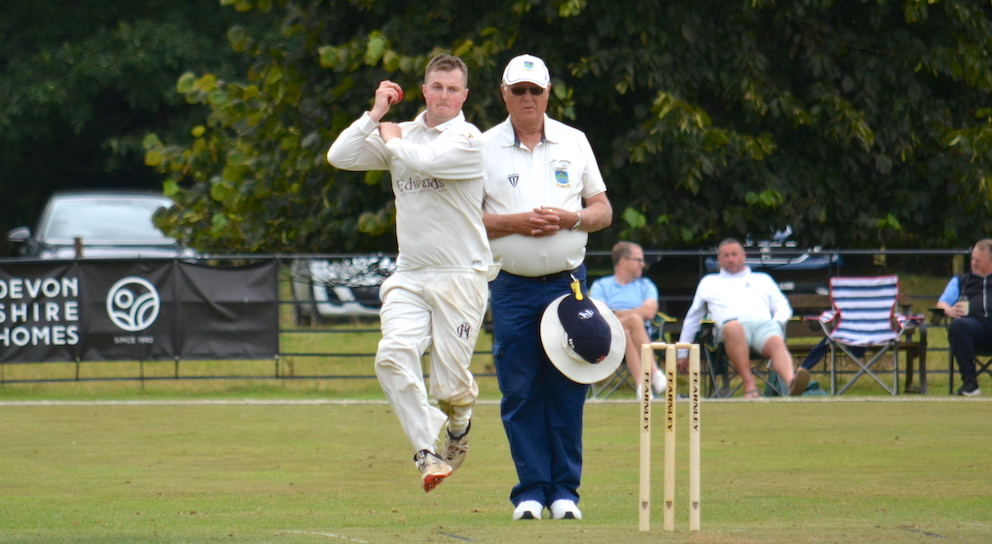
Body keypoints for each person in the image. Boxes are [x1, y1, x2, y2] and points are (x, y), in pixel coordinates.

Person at [326, 54, 496, 492]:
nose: (443, 96)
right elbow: (340, 156)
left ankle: (458, 426)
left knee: (449, 388)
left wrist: (393, 138)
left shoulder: (471, 140)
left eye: (452, 89)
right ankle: (426, 451)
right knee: (391, 354)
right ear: (424, 90)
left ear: (464, 96)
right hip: (411, 273)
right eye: (436, 86)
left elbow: (426, 163)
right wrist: (376, 114)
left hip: (461, 275)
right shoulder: (403, 132)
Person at [482, 54, 613, 521]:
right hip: (512, 286)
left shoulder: (574, 142)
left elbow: (602, 209)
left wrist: (571, 217)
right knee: (519, 390)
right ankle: (531, 492)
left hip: (567, 286)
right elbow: (465, 221)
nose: (527, 98)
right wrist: (515, 223)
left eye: (535, 90)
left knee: (567, 387)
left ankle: (565, 493)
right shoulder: (481, 146)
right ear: (504, 94)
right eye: (518, 90)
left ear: (547, 93)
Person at [677, 238, 809, 398]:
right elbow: (692, 319)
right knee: (733, 327)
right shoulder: (709, 283)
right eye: (725, 255)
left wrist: (777, 323)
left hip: (764, 327)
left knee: (775, 339)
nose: (730, 259)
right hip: (729, 332)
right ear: (719, 259)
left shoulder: (762, 279)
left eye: (734, 254)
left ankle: (791, 384)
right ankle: (750, 388)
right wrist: (682, 353)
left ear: (743, 256)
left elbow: (783, 308)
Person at [589, 241, 666, 396]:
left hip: (638, 336)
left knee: (628, 330)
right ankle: (654, 372)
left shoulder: (645, 285)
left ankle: (642, 389)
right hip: (608, 338)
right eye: (638, 260)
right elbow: (601, 315)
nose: (643, 264)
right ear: (624, 262)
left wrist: (616, 313)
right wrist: (636, 313)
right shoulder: (601, 286)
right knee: (634, 320)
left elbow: (650, 312)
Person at [935, 238, 992, 396]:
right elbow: (942, 303)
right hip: (974, 330)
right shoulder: (961, 281)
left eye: (978, 260)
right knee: (958, 326)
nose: (973, 263)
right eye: (972, 259)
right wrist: (950, 310)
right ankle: (970, 383)